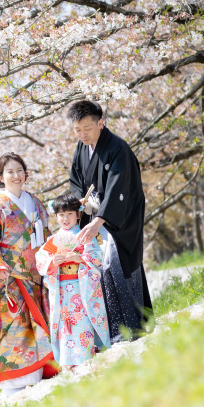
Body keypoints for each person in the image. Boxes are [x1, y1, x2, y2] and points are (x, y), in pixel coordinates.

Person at [0, 152, 57, 396]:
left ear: (25, 174)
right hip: (10, 277)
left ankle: (44, 368)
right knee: (15, 327)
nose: (15, 176)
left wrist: (50, 257)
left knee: (42, 320)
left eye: (19, 171)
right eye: (10, 172)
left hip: (37, 274)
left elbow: (46, 234)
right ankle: (14, 379)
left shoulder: (35, 202)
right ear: (0, 177)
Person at [67, 99, 152, 341]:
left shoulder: (117, 148)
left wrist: (99, 219)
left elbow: (119, 188)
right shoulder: (82, 148)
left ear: (101, 123)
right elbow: (75, 180)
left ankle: (132, 328)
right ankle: (110, 332)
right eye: (77, 130)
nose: (82, 134)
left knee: (118, 266)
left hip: (117, 221)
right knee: (99, 272)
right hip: (94, 217)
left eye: (87, 128)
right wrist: (80, 203)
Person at [36, 193, 110, 368]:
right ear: (56, 217)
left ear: (78, 214)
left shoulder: (85, 236)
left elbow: (97, 257)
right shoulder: (52, 241)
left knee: (82, 321)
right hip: (61, 290)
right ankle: (69, 362)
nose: (65, 218)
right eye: (61, 215)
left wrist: (81, 259)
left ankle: (87, 356)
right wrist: (52, 263)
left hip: (81, 287)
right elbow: (41, 261)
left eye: (70, 214)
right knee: (65, 325)